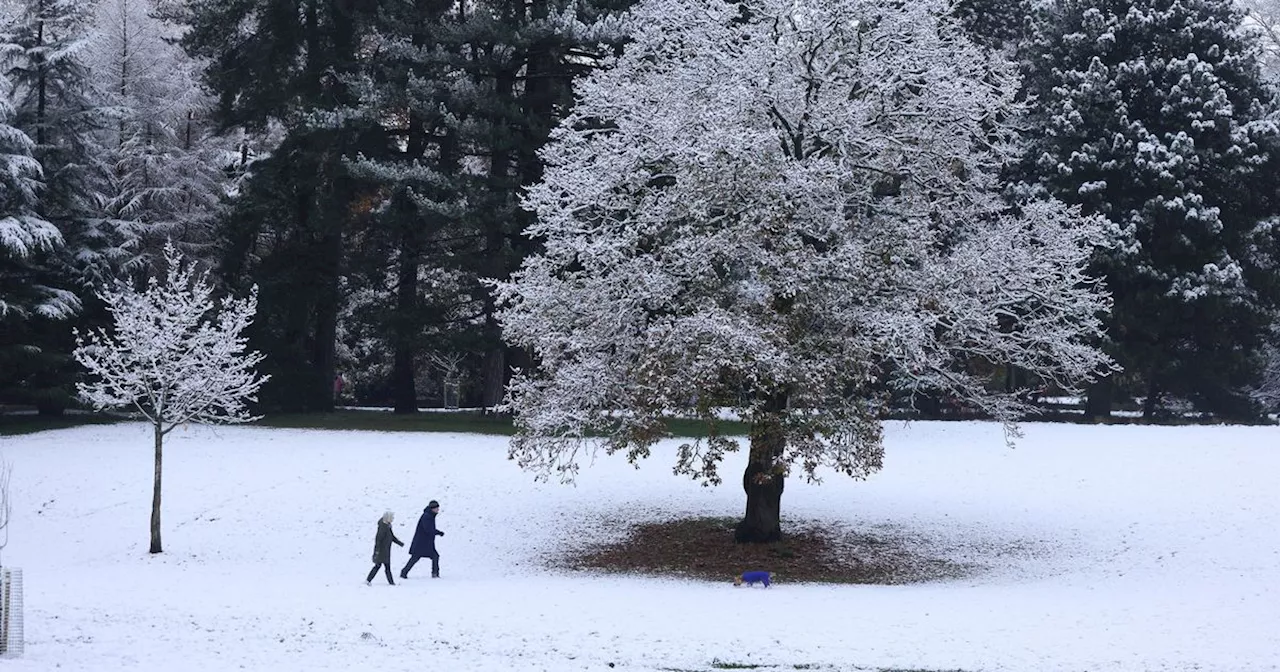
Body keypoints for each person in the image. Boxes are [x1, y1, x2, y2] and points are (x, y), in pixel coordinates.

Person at [400, 500, 444, 579]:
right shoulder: (427, 516)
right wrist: (438, 532)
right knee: (420, 557)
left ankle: (404, 572)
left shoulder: (430, 515)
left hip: (425, 543)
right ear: (432, 508)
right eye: (437, 508)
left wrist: (437, 532)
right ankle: (434, 573)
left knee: (427, 557)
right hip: (422, 543)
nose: (438, 510)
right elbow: (428, 529)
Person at [366, 511, 403, 586]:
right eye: (391, 517)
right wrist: (377, 551)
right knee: (383, 567)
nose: (393, 519)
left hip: (385, 551)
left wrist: (399, 543)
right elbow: (378, 540)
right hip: (382, 551)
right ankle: (390, 582)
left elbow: (391, 536)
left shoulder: (387, 526)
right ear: (388, 518)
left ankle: (369, 580)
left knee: (381, 567)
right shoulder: (383, 527)